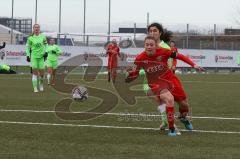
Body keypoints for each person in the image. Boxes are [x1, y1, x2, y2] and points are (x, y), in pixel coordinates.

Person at [125, 36, 204, 136]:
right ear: (144, 45)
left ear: (156, 45)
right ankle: (171, 129)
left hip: (170, 79)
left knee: (184, 104)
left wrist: (194, 65)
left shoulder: (164, 51)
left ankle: (183, 118)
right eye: (147, 45)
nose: (149, 47)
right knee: (169, 99)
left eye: (151, 45)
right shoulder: (140, 58)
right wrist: (129, 77)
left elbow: (180, 57)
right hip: (156, 83)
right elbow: (134, 73)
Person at [26, 24, 47, 93]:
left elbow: (46, 45)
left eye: (38, 27)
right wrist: (28, 55)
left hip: (41, 57)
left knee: (42, 73)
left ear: (39, 29)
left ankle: (41, 84)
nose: (36, 28)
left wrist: (46, 52)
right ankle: (35, 88)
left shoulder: (43, 37)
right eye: (35, 27)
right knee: (35, 72)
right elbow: (27, 47)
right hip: (34, 57)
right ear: (33, 29)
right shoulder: (30, 38)